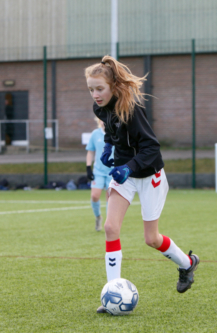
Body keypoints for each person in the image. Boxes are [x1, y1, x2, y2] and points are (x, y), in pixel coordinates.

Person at [85, 55, 199, 314]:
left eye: (99, 88)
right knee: (111, 227)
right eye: (91, 89)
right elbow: (112, 131)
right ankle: (112, 292)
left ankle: (188, 263)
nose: (95, 94)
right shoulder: (99, 108)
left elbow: (151, 147)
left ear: (114, 85)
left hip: (149, 175)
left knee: (152, 238)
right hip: (124, 175)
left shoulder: (133, 109)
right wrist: (109, 147)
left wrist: (129, 167)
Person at [86, 118, 114, 231]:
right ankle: (98, 217)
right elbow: (90, 151)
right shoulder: (95, 134)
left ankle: (109, 223)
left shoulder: (115, 133)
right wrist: (88, 167)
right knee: (95, 195)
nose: (104, 122)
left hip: (112, 171)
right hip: (98, 171)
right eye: (102, 119)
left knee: (110, 198)